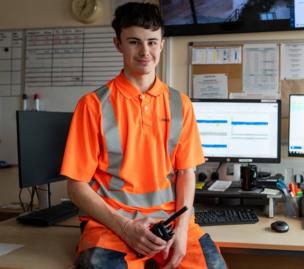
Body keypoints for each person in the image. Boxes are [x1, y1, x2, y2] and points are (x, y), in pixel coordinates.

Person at [60, 2, 226, 269]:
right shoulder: (93, 105)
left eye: (152, 42)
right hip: (111, 225)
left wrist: (182, 230)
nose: (145, 51)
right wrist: (125, 227)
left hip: (171, 224)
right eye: (134, 42)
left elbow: (186, 172)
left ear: (162, 44)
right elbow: (76, 185)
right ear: (118, 44)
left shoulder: (180, 104)